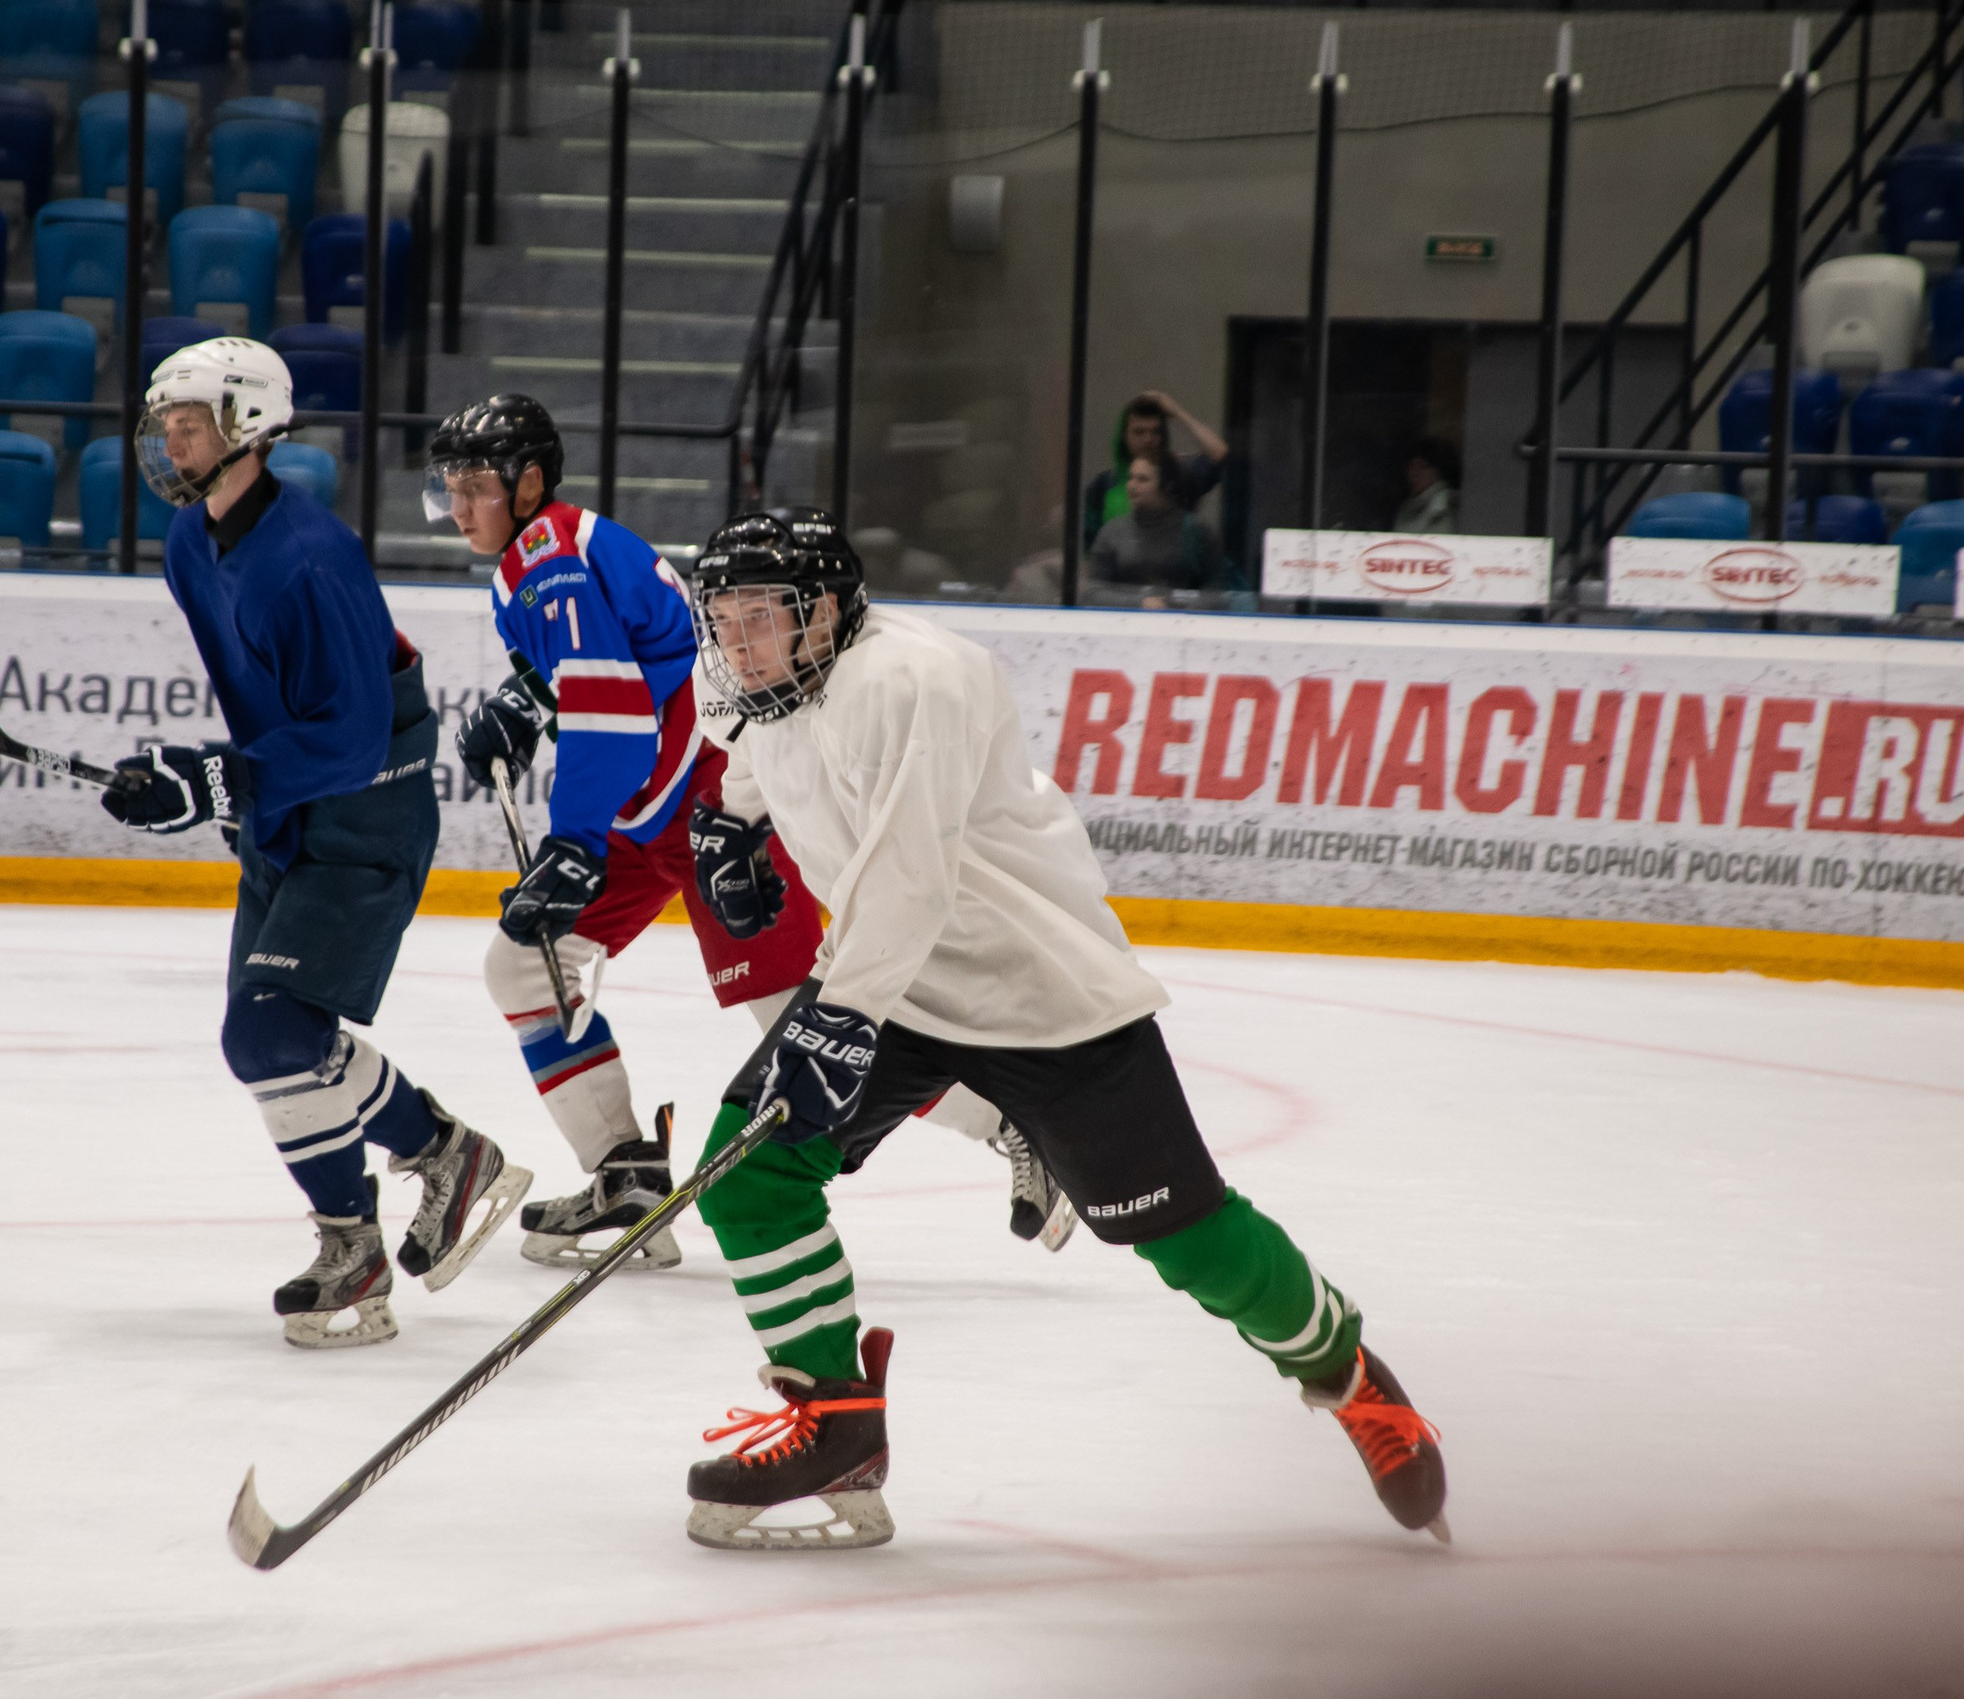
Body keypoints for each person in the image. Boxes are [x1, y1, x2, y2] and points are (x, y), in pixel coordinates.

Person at [671, 509, 1448, 1553]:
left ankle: (1347, 1373)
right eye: (722, 619)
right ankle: (835, 1421)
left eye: (759, 616)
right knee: (748, 1171)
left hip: (1036, 991)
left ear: (823, 612)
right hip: (896, 984)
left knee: (1183, 1235)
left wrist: (838, 1017)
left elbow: (910, 878)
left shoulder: (912, 679)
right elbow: (762, 751)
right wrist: (732, 821)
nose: (737, 642)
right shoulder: (767, 683)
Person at [105, 339, 530, 1350]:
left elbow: (350, 739)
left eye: (191, 424)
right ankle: (409, 1193)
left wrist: (224, 778)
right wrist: (206, 780)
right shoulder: (189, 541)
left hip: (365, 810)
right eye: (166, 423)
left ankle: (394, 1209)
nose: (172, 442)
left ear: (250, 426)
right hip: (289, 811)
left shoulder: (311, 556)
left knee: (273, 1032)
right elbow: (260, 699)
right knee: (264, 1041)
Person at [426, 394, 828, 1270]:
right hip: (652, 806)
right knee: (524, 966)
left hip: (718, 806)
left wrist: (573, 843)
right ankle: (625, 1173)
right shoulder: (550, 550)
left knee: (811, 1021)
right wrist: (527, 699)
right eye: (449, 488)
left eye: (474, 487)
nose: (457, 507)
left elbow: (609, 713)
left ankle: (1010, 1124)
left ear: (528, 484)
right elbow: (632, 657)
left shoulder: (550, 560)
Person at [1081, 390, 1228, 552]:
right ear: (1124, 436)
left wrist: (1177, 412)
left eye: (1156, 432)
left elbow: (1220, 455)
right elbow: (1090, 549)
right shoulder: (1103, 485)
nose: (1148, 439)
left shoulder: (1180, 475)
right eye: (1139, 432)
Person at [1084, 453, 1223, 602]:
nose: (1132, 486)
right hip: (1126, 614)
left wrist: (1187, 607)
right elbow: (1094, 592)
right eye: (1130, 478)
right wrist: (1139, 604)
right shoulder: (1112, 532)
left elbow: (1217, 586)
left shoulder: (1196, 529)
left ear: (1167, 486)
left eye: (1142, 479)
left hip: (1184, 614)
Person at [1393, 435, 1460, 533]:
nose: (1415, 473)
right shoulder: (1408, 507)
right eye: (1411, 467)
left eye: (1422, 467)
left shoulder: (1449, 504)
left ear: (1437, 471)